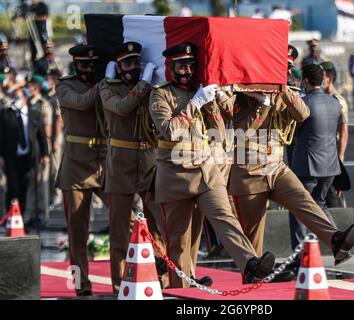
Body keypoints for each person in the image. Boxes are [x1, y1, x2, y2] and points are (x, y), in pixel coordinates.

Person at [218, 45, 354, 273]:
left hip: (276, 166)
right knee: (253, 235)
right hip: (249, 170)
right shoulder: (243, 94)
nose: (285, 72)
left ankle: (335, 239)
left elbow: (303, 113)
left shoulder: (286, 91)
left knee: (304, 200)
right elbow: (242, 131)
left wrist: (282, 89)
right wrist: (261, 104)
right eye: (279, 67)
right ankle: (252, 277)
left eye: (287, 68)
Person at [149, 42, 276, 288]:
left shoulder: (203, 92)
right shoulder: (160, 94)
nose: (187, 71)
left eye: (190, 66)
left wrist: (215, 98)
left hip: (206, 169)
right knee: (180, 240)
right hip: (175, 174)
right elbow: (168, 132)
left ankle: (249, 264)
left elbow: (222, 128)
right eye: (181, 66)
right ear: (170, 67)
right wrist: (195, 103)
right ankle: (180, 289)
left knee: (225, 216)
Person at [99, 41, 166, 294]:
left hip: (149, 159)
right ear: (118, 67)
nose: (134, 67)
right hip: (121, 163)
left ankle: (163, 281)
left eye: (137, 62)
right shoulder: (108, 87)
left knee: (157, 224)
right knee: (118, 230)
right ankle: (119, 285)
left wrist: (149, 85)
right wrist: (145, 84)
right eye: (128, 63)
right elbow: (122, 108)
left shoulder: (150, 89)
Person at [55, 44, 109, 296]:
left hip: (104, 163)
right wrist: (104, 84)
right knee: (78, 235)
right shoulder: (65, 86)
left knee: (130, 219)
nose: (89, 69)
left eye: (93, 65)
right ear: (75, 64)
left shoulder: (104, 86)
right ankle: (81, 286)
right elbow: (82, 103)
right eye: (84, 65)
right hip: (76, 167)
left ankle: (130, 276)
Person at [288, 63, 341, 251]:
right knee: (320, 204)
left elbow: (293, 131)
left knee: (298, 208)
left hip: (307, 165)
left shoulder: (306, 103)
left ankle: (300, 254)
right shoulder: (335, 102)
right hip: (330, 166)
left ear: (306, 81)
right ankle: (340, 242)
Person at [0, 80, 48, 221]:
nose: (16, 99)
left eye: (19, 96)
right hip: (11, 156)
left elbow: (41, 135)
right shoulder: (5, 114)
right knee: (13, 186)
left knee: (25, 186)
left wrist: (45, 154)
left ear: (25, 98)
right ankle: (10, 216)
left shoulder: (33, 114)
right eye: (14, 96)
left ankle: (22, 216)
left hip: (28, 156)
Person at [321, 61, 349, 208]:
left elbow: (343, 133)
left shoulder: (339, 102)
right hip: (320, 153)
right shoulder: (316, 98)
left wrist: (341, 159)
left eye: (322, 77)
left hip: (332, 156)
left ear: (329, 80)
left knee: (334, 197)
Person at [26, 74, 53, 224]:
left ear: (36, 87)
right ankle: (30, 212)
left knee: (42, 180)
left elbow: (47, 130)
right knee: (31, 180)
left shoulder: (43, 104)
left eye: (30, 86)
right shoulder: (28, 103)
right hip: (30, 147)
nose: (27, 89)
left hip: (42, 145)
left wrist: (46, 152)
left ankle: (42, 212)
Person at [45, 69, 63, 206]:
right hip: (50, 135)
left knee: (56, 167)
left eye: (49, 78)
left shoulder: (57, 94)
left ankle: (57, 196)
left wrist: (55, 140)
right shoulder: (49, 94)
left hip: (57, 135)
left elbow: (58, 120)